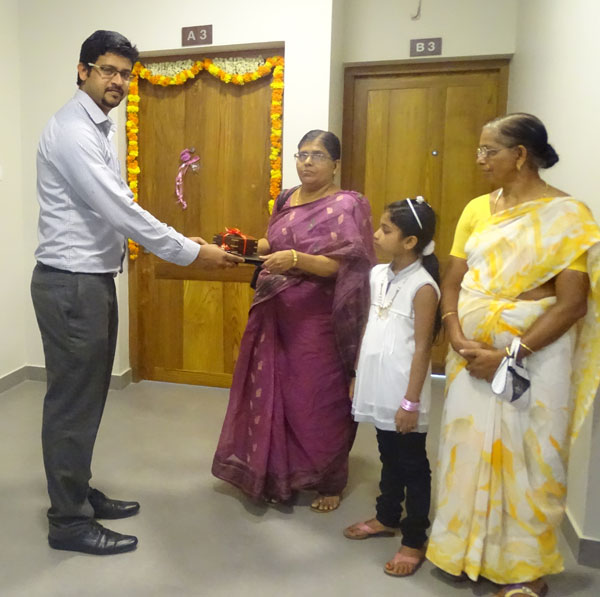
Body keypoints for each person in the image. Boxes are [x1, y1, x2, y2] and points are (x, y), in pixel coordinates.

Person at [30, 30, 242, 556]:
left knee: (86, 398)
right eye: (107, 70)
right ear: (83, 71)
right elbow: (120, 210)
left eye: (125, 74)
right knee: (72, 405)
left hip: (91, 281)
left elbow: (120, 201)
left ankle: (76, 492)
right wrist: (189, 253)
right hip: (72, 284)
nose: (118, 82)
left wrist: (184, 240)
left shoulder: (98, 127)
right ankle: (68, 522)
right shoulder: (73, 131)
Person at [426, 113, 600, 597]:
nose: (480, 160)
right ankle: (465, 552)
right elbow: (453, 281)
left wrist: (509, 355)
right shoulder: (478, 209)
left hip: (533, 363)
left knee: (529, 460)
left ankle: (525, 573)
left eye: (489, 151)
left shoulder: (569, 217)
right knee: (466, 450)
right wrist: (455, 334)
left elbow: (572, 303)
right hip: (470, 356)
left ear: (520, 155)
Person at [212, 130, 375, 511]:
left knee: (316, 398)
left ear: (335, 164)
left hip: (316, 319)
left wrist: (297, 260)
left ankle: (328, 480)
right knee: (274, 393)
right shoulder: (286, 198)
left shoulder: (348, 205)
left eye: (317, 156)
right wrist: (240, 246)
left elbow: (345, 265)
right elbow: (272, 243)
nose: (307, 163)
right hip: (275, 313)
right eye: (301, 155)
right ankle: (276, 473)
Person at [343, 198, 441, 577]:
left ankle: (414, 538)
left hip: (404, 390)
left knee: (412, 464)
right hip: (377, 383)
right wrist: (358, 375)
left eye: (386, 230)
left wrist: (410, 402)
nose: (376, 234)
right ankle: (386, 516)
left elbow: (422, 348)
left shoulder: (424, 286)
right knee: (388, 453)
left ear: (410, 241)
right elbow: (370, 327)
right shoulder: (377, 274)